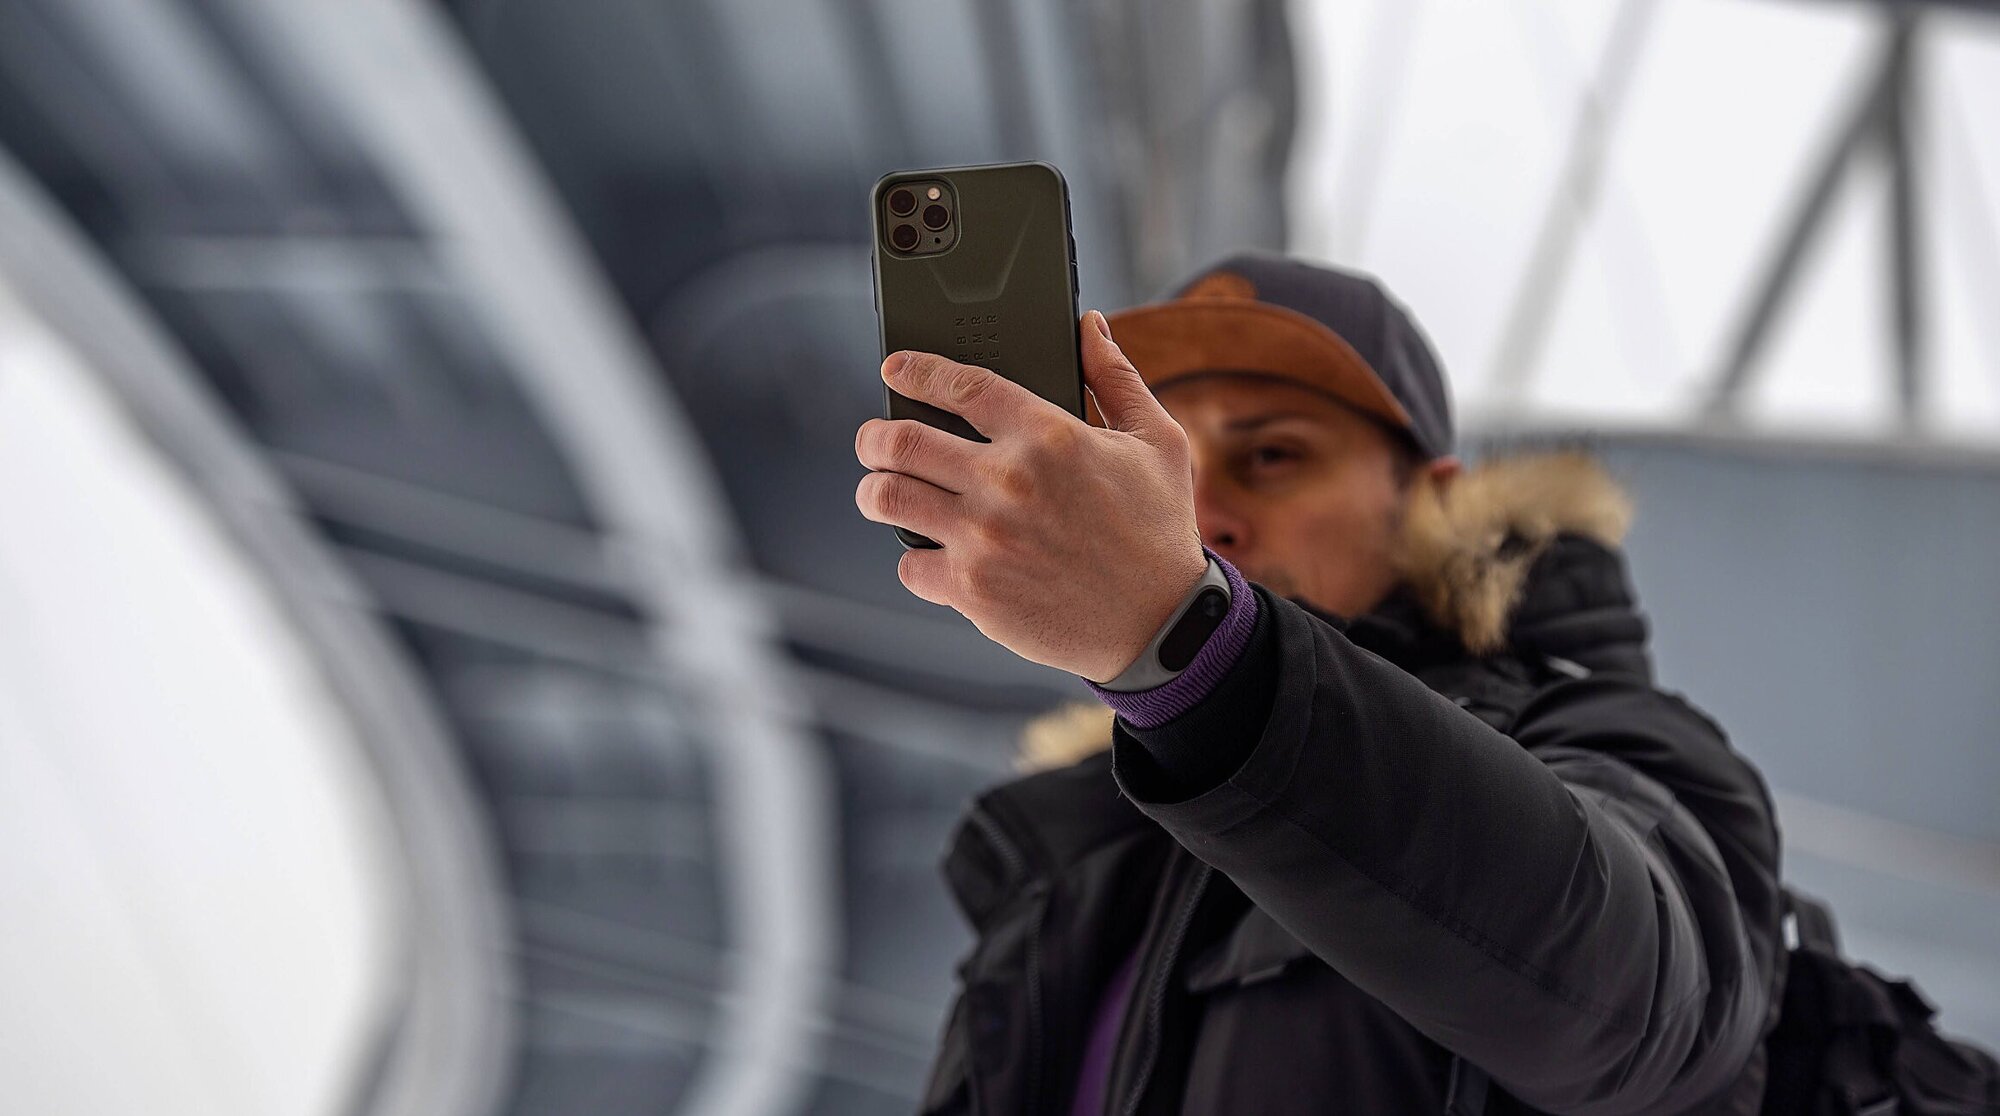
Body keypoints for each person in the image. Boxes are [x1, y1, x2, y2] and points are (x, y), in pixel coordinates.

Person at [853, 252, 1782, 1114]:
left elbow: (1637, 1003)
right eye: (1160, 468)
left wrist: (1183, 641)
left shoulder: (1607, 740)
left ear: (1431, 496)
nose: (1198, 512)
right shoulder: (1069, 867)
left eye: (1273, 456)